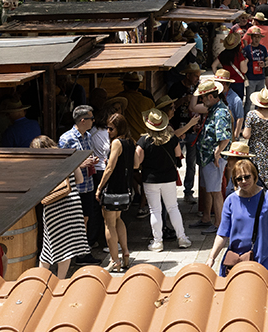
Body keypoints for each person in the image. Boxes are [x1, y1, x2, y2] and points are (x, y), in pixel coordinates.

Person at [207, 159, 268, 276]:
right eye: (239, 179)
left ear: (255, 176)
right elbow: (222, 234)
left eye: (247, 177)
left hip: (265, 260)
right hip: (238, 260)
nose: (243, 181)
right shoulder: (230, 201)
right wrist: (211, 258)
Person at [30, 135, 91, 279]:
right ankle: (60, 280)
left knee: (49, 244)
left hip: (53, 205)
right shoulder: (67, 156)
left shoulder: (40, 164)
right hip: (72, 203)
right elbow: (80, 179)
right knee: (66, 246)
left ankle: (42, 279)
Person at [135, 108, 194, 251]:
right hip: (169, 178)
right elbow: (178, 154)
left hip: (150, 179)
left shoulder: (143, 141)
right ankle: (182, 238)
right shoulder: (172, 138)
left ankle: (157, 242)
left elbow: (137, 163)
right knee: (173, 208)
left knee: (155, 210)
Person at [57, 105, 102, 264]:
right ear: (83, 120)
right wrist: (81, 164)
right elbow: (62, 165)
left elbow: (88, 156)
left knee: (86, 218)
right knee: (76, 221)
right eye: (91, 118)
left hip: (88, 185)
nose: (93, 121)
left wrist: (92, 161)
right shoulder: (66, 139)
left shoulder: (88, 136)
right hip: (75, 187)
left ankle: (82, 253)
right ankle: (77, 254)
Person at [192, 79, 232, 233]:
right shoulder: (215, 110)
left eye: (202, 98)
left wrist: (217, 153)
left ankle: (219, 225)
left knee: (216, 192)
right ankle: (209, 219)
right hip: (207, 158)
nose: (201, 101)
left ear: (210, 97)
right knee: (211, 190)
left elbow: (225, 137)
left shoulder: (220, 112)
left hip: (212, 159)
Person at [95, 113, 133, 273]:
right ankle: (125, 254)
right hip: (124, 187)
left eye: (111, 128)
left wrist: (99, 187)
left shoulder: (117, 142)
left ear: (119, 128)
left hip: (113, 187)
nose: (108, 132)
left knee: (109, 223)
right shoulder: (131, 142)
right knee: (118, 219)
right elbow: (136, 163)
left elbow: (109, 168)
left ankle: (114, 260)